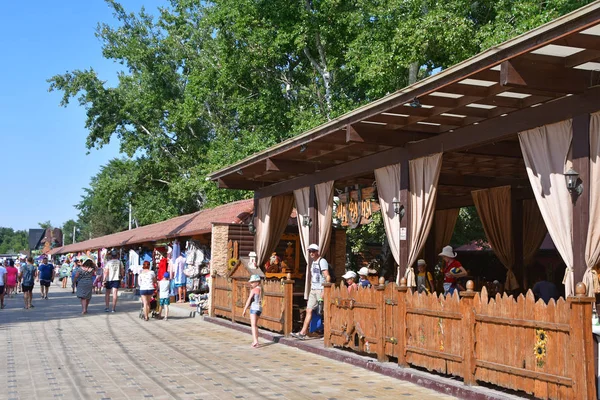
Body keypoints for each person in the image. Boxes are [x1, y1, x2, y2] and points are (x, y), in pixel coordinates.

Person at [292, 243, 329, 340]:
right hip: (313, 289)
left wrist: (324, 290)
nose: (311, 253)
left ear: (317, 252)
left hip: (320, 289)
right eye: (310, 251)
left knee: (323, 311)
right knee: (309, 310)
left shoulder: (322, 261)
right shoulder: (313, 263)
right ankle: (303, 332)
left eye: (313, 251)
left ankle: (327, 332)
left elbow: (327, 276)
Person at [242, 274, 263, 348]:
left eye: (252, 282)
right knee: (255, 324)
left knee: (253, 325)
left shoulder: (253, 290)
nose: (251, 284)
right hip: (260, 308)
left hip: (254, 307)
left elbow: (249, 300)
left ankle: (255, 341)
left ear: (257, 282)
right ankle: (256, 340)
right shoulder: (261, 289)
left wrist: (244, 309)